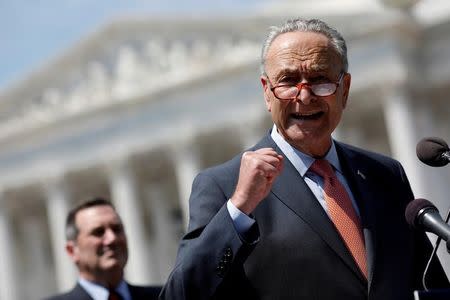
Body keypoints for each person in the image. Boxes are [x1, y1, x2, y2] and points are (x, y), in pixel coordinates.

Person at [160, 18, 449, 300]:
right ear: (267, 93)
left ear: (344, 90)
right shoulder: (224, 185)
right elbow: (180, 293)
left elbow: (429, 282)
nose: (305, 95)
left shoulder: (385, 174)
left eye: (320, 80)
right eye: (287, 81)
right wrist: (238, 209)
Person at [43, 197, 160, 300]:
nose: (112, 238)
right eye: (98, 232)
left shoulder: (165, 296)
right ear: (72, 251)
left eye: (117, 229)